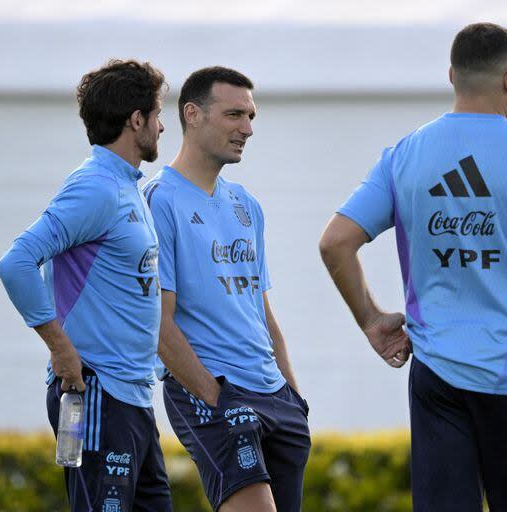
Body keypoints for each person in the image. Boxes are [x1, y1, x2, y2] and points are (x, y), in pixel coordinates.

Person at [318, 23, 507, 512]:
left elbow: (335, 242)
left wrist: (373, 320)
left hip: (436, 377)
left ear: (452, 75)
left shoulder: (403, 156)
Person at [0, 59, 172, 512]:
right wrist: (60, 349)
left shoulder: (128, 186)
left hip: (133, 399)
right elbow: (15, 262)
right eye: (157, 115)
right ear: (136, 121)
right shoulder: (95, 186)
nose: (162, 126)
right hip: (96, 393)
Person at [143, 66, 310, 512]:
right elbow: (158, 323)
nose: (248, 129)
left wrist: (294, 396)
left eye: (251, 116)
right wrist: (216, 399)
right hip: (217, 391)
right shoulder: (159, 200)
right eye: (234, 115)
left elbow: (261, 310)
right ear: (192, 114)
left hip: (275, 396)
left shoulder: (246, 205)